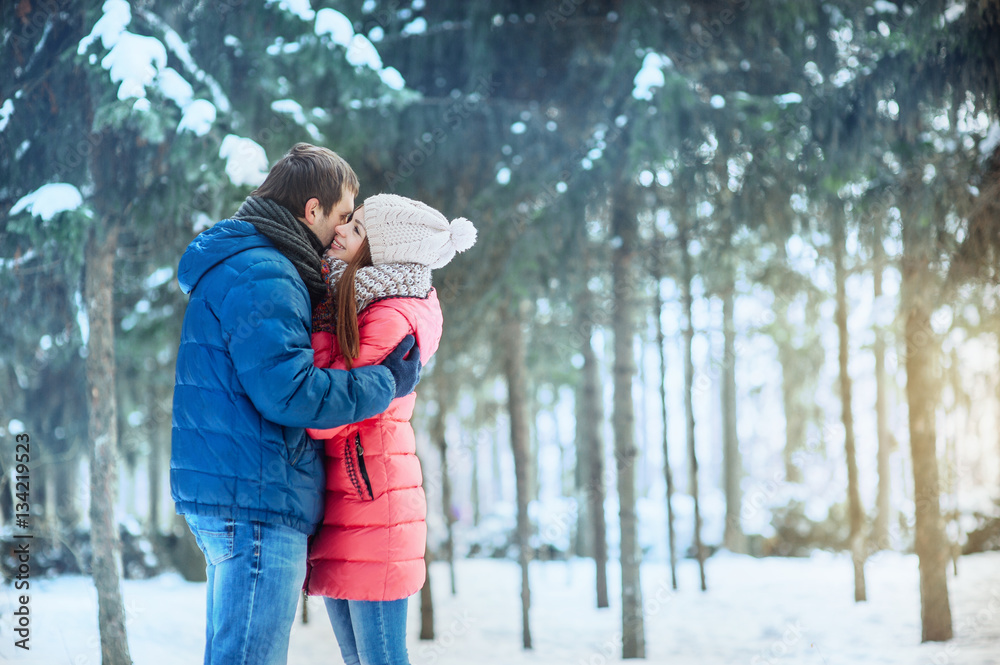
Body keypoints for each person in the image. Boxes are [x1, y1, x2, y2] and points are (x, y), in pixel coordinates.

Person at [171, 144, 423, 665]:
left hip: (237, 493)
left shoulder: (246, 262)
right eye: (344, 217)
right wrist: (384, 382)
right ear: (312, 210)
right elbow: (291, 391)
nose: (343, 231)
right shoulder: (267, 271)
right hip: (257, 499)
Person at [304, 193, 476, 665]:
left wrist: (320, 317)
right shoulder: (365, 305)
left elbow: (324, 411)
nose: (340, 230)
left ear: (381, 253)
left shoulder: (387, 317)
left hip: (373, 510)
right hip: (354, 505)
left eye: (357, 229)